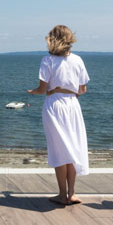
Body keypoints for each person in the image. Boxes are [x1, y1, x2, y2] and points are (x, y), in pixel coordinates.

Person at [26, 25, 89, 205]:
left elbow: (42, 89)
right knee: (72, 148)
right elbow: (82, 89)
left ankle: (62, 195)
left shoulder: (48, 60)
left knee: (59, 149)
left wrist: (33, 92)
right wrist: (68, 92)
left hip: (55, 104)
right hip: (73, 105)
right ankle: (72, 193)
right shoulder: (78, 60)